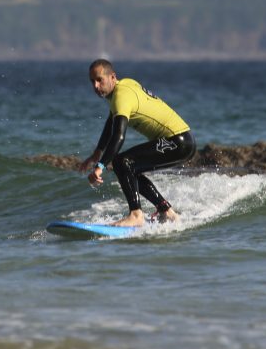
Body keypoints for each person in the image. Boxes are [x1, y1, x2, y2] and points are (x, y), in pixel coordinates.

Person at [78, 59, 196, 227]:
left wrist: (100, 167)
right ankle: (166, 211)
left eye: (99, 80)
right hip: (183, 140)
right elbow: (111, 121)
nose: (95, 86)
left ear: (112, 77)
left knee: (121, 162)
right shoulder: (124, 85)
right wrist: (98, 152)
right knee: (131, 167)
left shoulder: (121, 96)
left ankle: (135, 215)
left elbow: (118, 136)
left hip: (178, 141)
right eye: (92, 81)